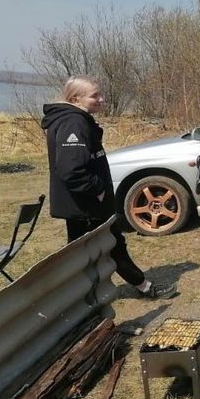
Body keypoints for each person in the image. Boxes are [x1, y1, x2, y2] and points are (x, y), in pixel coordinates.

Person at [41, 75, 176, 299]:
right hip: (86, 204)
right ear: (76, 98)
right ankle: (142, 286)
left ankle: (82, 294)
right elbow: (71, 171)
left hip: (85, 203)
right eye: (95, 96)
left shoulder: (78, 119)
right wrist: (99, 189)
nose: (102, 99)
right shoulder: (72, 122)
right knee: (110, 245)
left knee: (85, 252)